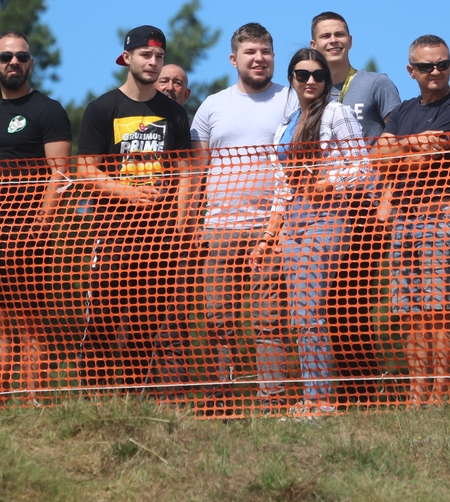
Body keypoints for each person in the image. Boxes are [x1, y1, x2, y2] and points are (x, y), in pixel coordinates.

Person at [250, 48, 369, 416]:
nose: (311, 81)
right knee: (298, 314)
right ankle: (311, 395)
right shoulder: (285, 125)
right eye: (302, 75)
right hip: (292, 225)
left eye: (318, 75)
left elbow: (362, 167)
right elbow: (282, 187)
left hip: (327, 219)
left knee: (309, 310)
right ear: (292, 79)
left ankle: (322, 399)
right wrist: (269, 234)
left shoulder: (336, 112)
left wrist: (328, 183)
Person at [77, 25, 193, 396]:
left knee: (146, 327)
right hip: (112, 234)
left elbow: (186, 173)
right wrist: (128, 192)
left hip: (159, 239)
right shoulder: (102, 108)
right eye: (146, 55)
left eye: (159, 56)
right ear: (127, 58)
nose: (153, 62)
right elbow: (85, 170)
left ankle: (135, 403)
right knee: (102, 321)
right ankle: (93, 401)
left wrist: (179, 227)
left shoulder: (174, 113)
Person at [190, 22, 296, 415]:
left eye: (265, 52)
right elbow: (197, 171)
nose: (259, 59)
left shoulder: (291, 100)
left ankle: (273, 402)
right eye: (250, 52)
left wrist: (280, 227)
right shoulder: (212, 105)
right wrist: (196, 223)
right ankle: (221, 400)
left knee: (269, 321)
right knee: (218, 319)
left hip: (271, 229)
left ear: (274, 57)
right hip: (218, 228)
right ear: (234, 59)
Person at [372, 34, 450, 406]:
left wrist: (400, 147)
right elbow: (378, 157)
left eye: (442, 64)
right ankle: (417, 392)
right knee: (408, 310)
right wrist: (413, 145)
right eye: (427, 66)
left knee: (439, 308)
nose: (435, 71)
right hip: (402, 217)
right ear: (411, 70)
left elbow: (424, 157)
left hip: (441, 214)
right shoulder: (403, 110)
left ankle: (439, 393)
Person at [0, 31, 73, 401]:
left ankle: (34, 401)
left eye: (22, 57)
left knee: (31, 320)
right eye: (6, 57)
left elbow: (60, 173)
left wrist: (40, 227)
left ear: (30, 63)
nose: (14, 62)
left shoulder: (48, 110)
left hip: (30, 234)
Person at [309, 12, 402, 402]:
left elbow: (398, 143)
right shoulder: (308, 88)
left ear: (350, 39)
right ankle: (343, 391)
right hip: (320, 213)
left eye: (339, 34)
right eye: (325, 36)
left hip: (365, 209)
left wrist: (386, 201)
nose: (333, 41)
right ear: (313, 44)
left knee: (355, 300)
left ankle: (364, 391)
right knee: (324, 303)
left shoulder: (376, 84)